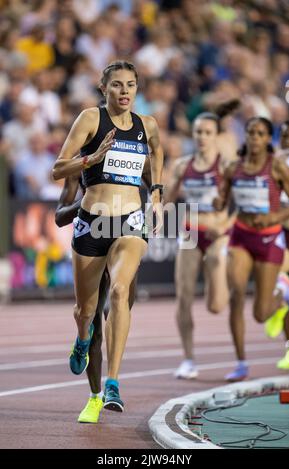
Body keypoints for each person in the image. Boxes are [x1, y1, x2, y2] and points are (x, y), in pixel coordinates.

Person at [52, 60, 163, 412]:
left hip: (130, 220)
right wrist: (91, 159)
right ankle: (82, 339)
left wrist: (157, 195)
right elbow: (58, 169)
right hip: (92, 223)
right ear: (104, 89)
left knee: (119, 291)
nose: (125, 91)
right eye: (117, 85)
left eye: (131, 84)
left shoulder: (148, 125)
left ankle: (112, 383)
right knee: (85, 311)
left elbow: (157, 151)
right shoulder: (90, 119)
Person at [55, 158, 152, 423]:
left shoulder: (129, 157)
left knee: (118, 301)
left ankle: (113, 384)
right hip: (91, 235)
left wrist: (157, 198)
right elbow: (59, 216)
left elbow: (155, 184)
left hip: (126, 232)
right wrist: (88, 204)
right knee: (92, 317)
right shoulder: (79, 167)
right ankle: (95, 396)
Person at [214, 116, 289, 382]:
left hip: (269, 241)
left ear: (269, 139)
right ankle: (241, 362)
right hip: (242, 236)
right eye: (250, 132)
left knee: (260, 314)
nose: (255, 137)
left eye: (260, 133)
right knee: (236, 294)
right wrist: (217, 202)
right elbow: (222, 200)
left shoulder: (277, 167)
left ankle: (281, 293)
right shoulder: (234, 168)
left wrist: (274, 218)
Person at [164, 111, 236, 380]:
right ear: (192, 135)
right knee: (183, 297)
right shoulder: (184, 165)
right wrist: (156, 215)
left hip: (218, 232)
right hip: (191, 232)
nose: (202, 137)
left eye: (207, 132)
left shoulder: (227, 166)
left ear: (216, 136)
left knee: (216, 306)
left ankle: (217, 288)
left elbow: (245, 205)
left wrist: (227, 225)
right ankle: (188, 358)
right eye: (198, 132)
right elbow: (167, 199)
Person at [266, 121, 289, 369]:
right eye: (283, 135)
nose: (286, 139)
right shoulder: (273, 162)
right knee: (281, 281)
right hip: (279, 232)